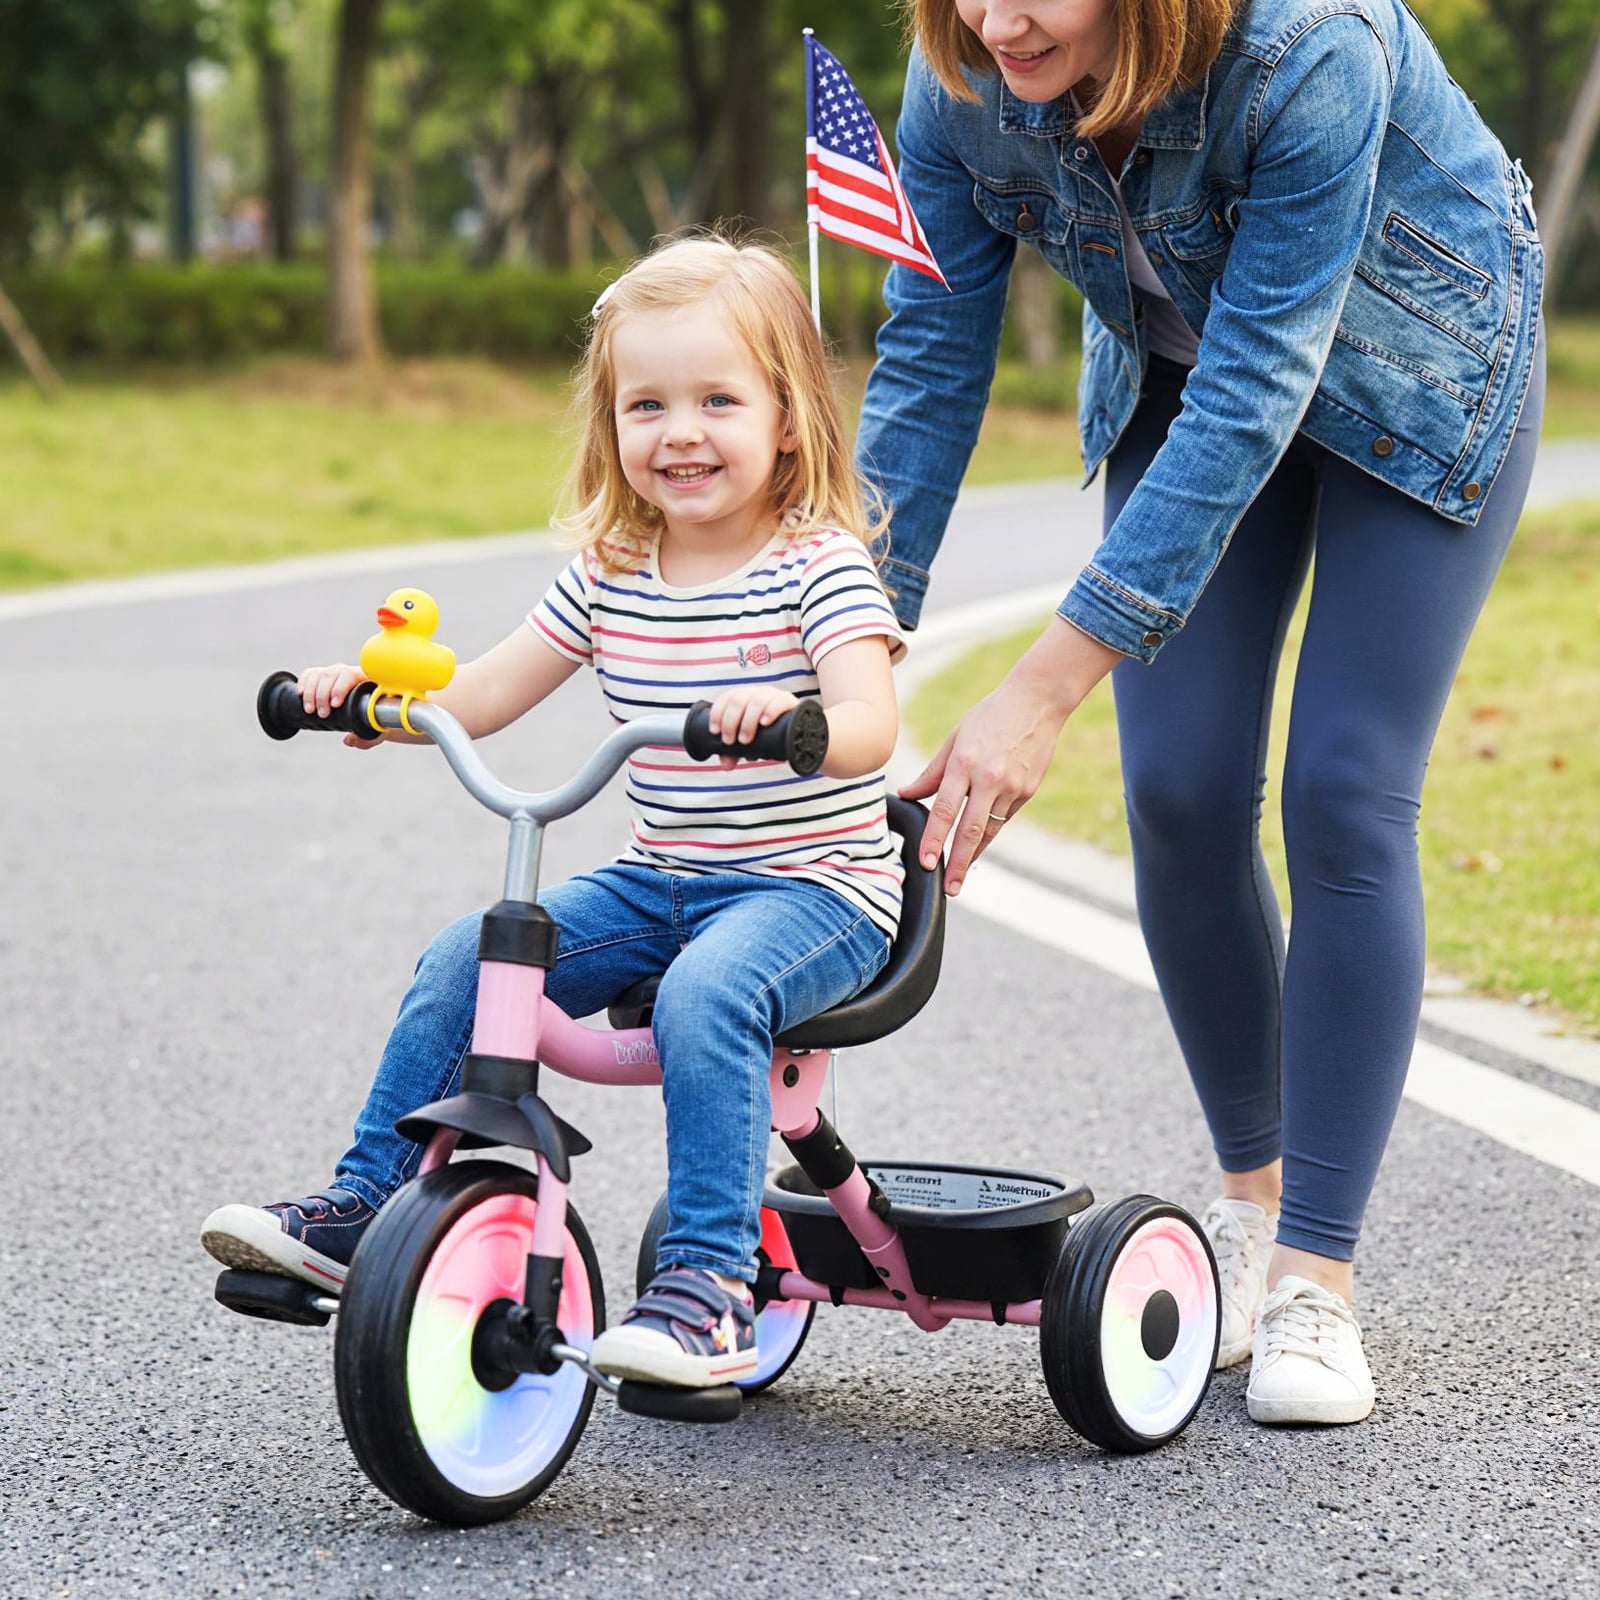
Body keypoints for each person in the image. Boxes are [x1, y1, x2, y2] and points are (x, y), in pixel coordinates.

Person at [858, 0, 1544, 1425]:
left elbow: (1258, 390)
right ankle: (1254, 1203)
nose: (996, 20)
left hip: (1417, 355)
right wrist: (847, 637)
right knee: (1175, 795)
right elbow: (928, 365)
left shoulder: (1309, 49)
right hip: (1186, 371)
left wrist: (1038, 694)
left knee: (1345, 789)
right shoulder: (962, 85)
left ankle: (1318, 1278)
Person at [201, 237, 905, 1389]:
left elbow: (871, 720)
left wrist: (792, 709)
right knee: (469, 959)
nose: (679, 431)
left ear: (787, 419)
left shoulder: (816, 565)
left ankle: (712, 1289)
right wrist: (369, 704)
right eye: (647, 404)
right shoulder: (611, 569)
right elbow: (474, 696)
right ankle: (367, 1203)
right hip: (663, 878)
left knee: (709, 992)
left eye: (717, 399)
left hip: (816, 888)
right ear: (610, 426)